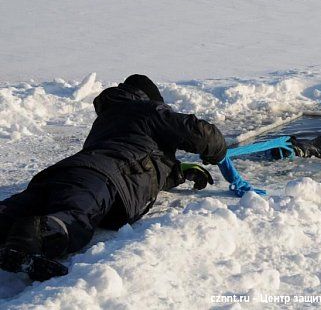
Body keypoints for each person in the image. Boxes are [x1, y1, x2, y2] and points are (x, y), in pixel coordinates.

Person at [0, 74, 226, 281]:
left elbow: (139, 161)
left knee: (23, 205)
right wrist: (218, 149)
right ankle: (32, 238)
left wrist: (178, 172)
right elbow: (197, 132)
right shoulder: (149, 110)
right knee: (74, 217)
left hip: (65, 173)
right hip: (102, 179)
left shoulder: (107, 119)